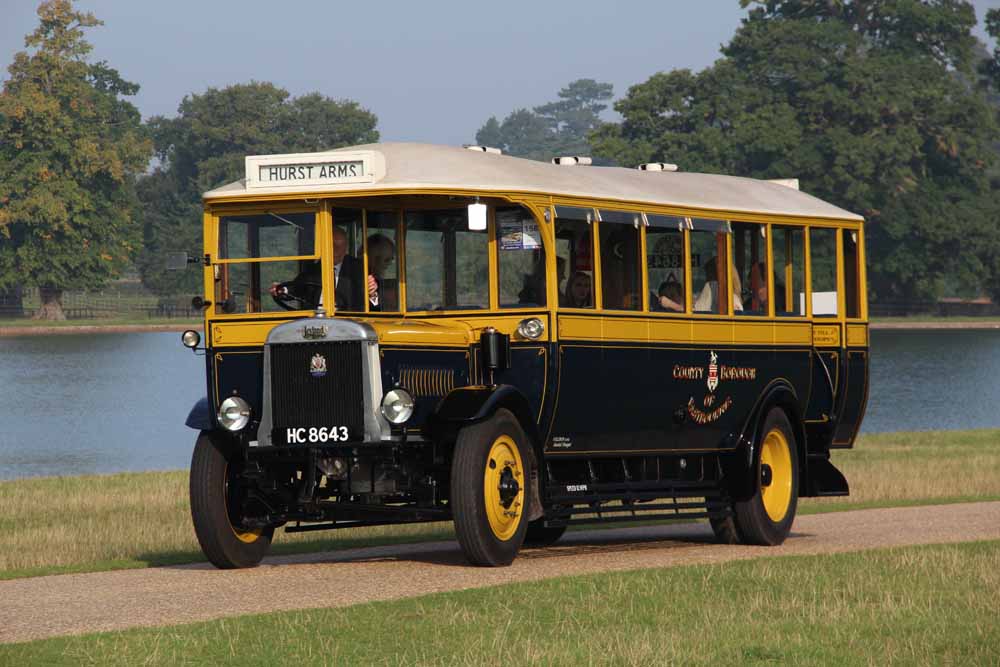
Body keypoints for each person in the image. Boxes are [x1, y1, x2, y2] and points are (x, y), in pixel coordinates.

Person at [270, 227, 378, 311]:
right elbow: (297, 288)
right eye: (333, 245)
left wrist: (372, 295)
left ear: (346, 248)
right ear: (324, 246)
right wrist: (282, 290)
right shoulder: (314, 268)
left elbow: (374, 305)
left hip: (348, 324)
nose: (337, 251)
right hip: (315, 323)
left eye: (342, 246)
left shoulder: (359, 268)